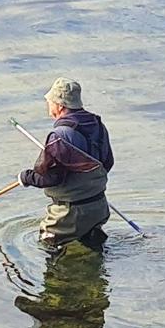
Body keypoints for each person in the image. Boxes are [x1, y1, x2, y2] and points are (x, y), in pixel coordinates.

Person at [18, 77, 114, 248]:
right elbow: (108, 163)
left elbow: (49, 178)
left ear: (60, 105)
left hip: (69, 214)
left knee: (48, 247)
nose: (48, 105)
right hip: (98, 206)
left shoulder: (59, 136)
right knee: (93, 251)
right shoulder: (98, 125)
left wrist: (26, 177)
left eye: (49, 102)